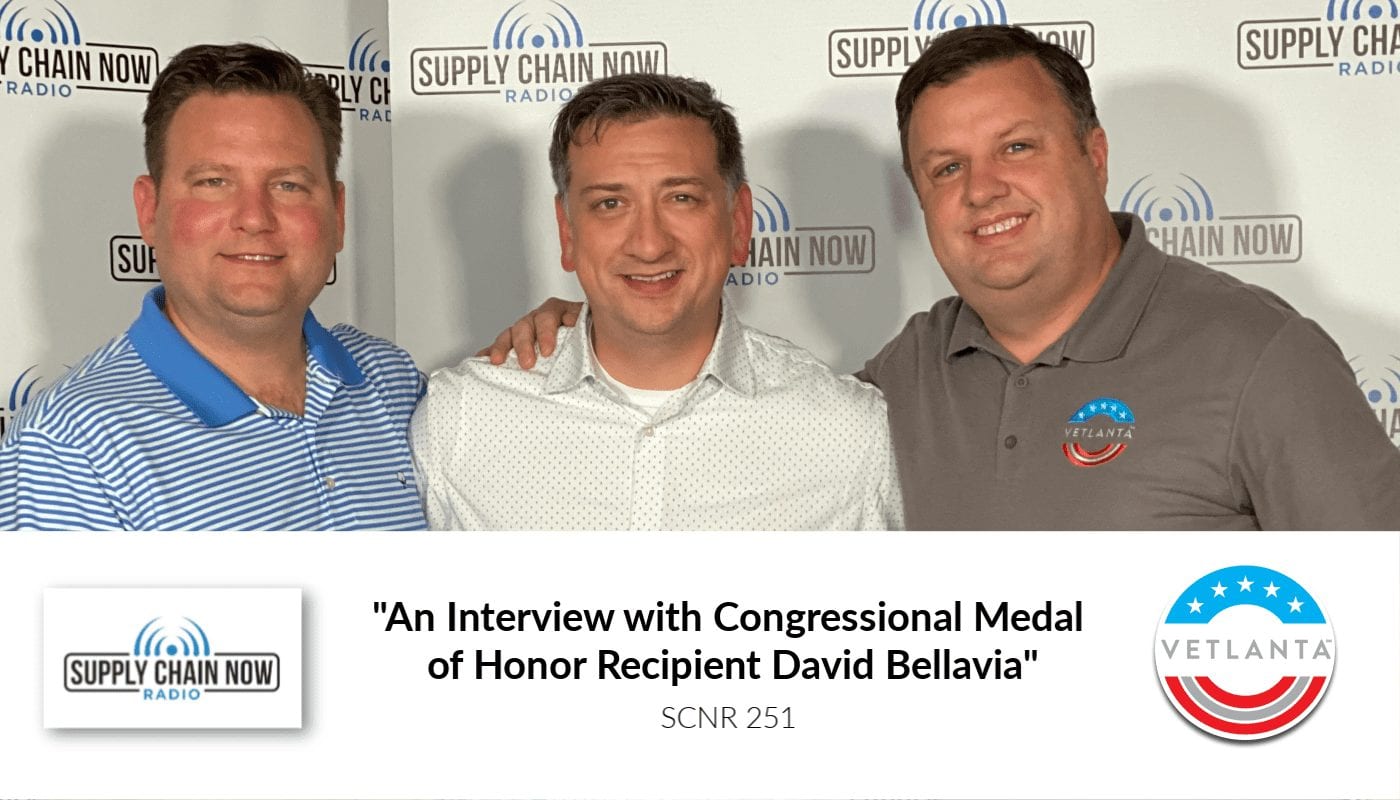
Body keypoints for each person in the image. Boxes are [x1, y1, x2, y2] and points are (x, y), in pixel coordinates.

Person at [482, 26, 1400, 530]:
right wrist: (599, 321)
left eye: (1017, 148)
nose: (984, 189)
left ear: (1095, 155)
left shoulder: (1257, 356)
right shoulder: (900, 380)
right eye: (946, 167)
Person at [410, 73, 901, 529]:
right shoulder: (458, 422)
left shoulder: (852, 435)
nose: (649, 244)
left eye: (681, 198)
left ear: (739, 222)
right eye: (610, 204)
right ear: (567, 231)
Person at [0, 44, 425, 530]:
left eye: (288, 185)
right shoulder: (70, 449)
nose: (254, 218)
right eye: (213, 182)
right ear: (149, 211)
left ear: (338, 213)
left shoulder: (393, 384)